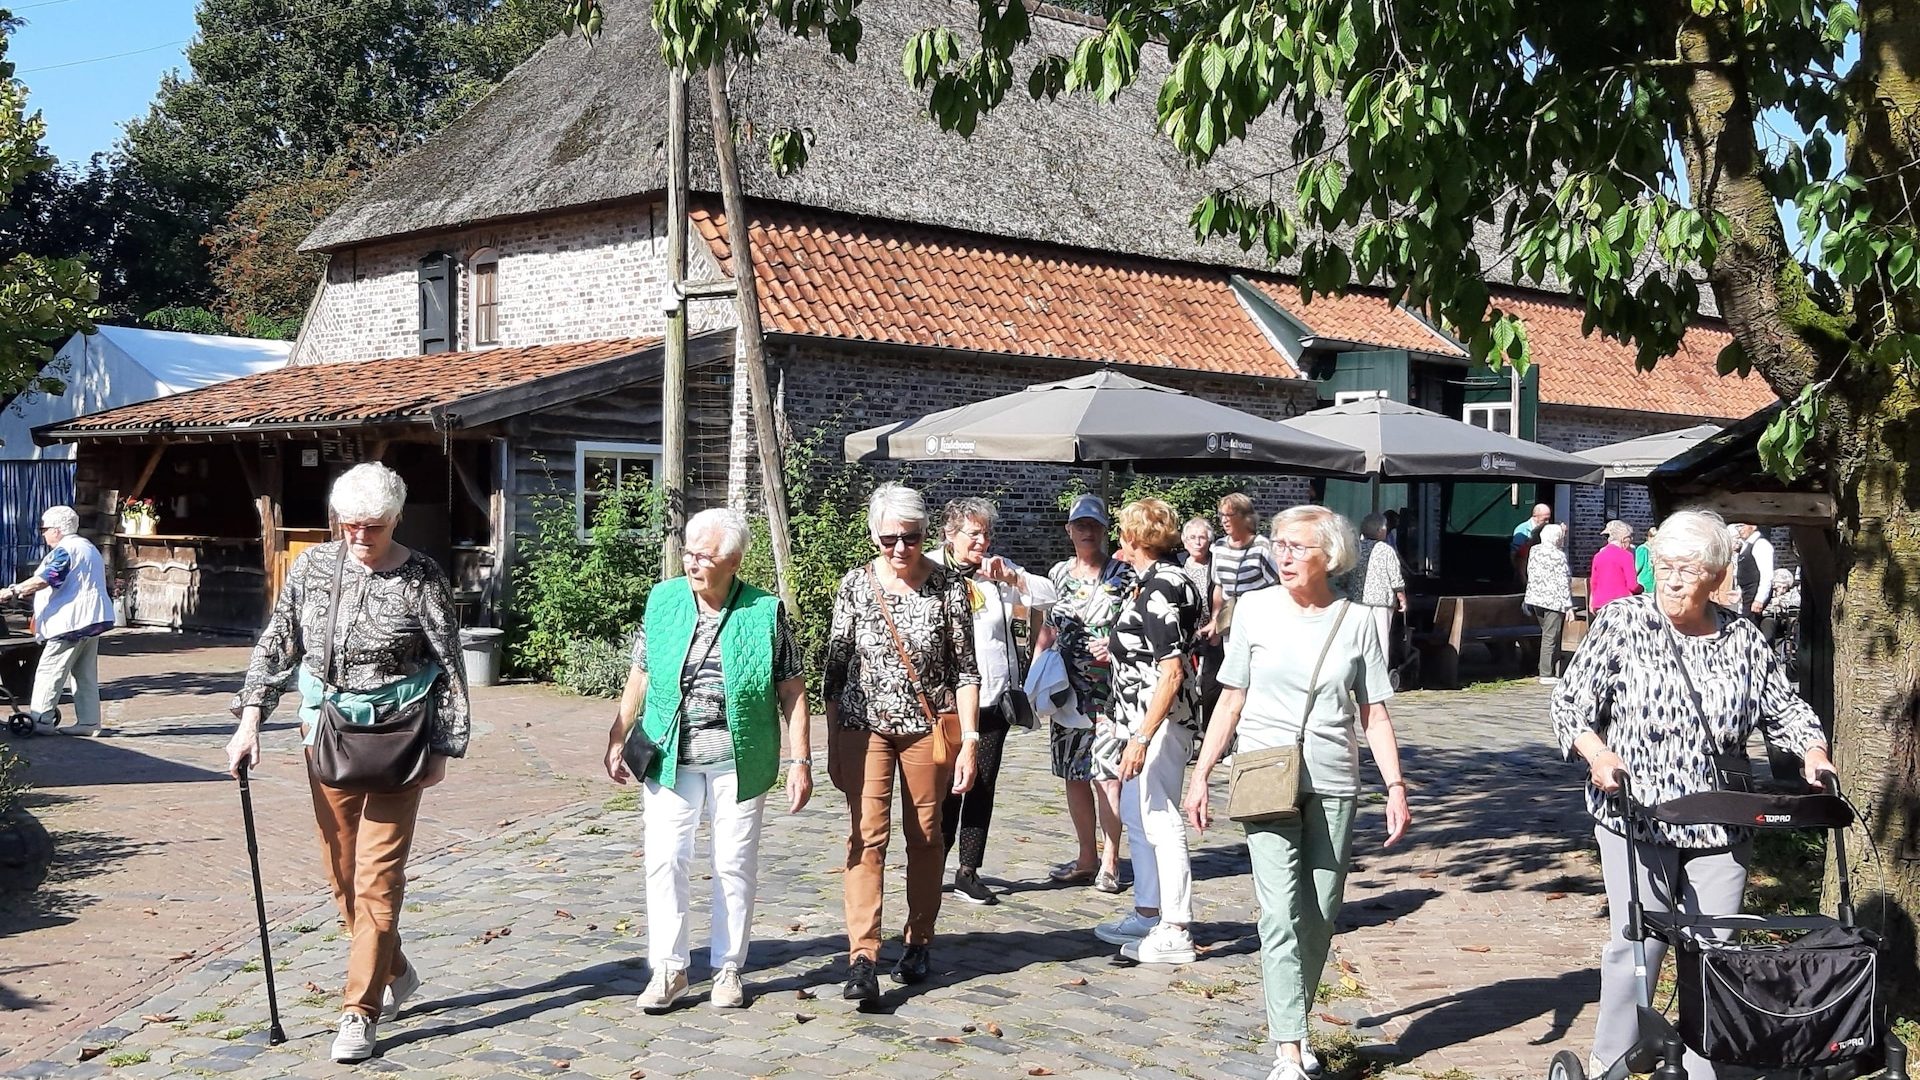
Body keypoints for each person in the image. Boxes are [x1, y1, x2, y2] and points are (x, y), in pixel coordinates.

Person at [1551, 509, 1834, 1080]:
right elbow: (1569, 703)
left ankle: (1703, 1064)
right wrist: (1598, 753)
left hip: (1721, 818)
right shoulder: (1622, 622)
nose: (1674, 580)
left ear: (1714, 575)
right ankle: (1613, 1061)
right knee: (1638, 943)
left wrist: (1813, 751)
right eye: (1664, 567)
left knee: (1716, 949)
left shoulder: (1742, 636)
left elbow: (1783, 709)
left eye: (1686, 569)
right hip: (1637, 813)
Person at [224, 463, 470, 1064]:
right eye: (350, 525)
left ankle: (359, 1011)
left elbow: (450, 662)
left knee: (377, 881)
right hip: (327, 734)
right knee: (341, 876)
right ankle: (395, 967)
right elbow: (280, 640)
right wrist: (250, 718)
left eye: (374, 527)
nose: (359, 536)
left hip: (400, 740)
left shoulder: (422, 578)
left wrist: (444, 744)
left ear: (396, 519)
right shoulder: (313, 567)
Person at [1184, 505, 1411, 1080]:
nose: (1284, 556)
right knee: (1279, 911)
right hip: (1264, 771)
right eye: (1280, 544)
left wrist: (1395, 786)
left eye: (1298, 547)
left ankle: (1296, 1018)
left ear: (1330, 556)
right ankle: (1289, 1045)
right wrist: (1202, 772)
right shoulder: (1254, 610)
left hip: (1334, 778)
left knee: (1320, 911)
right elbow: (1229, 699)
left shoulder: (1357, 620)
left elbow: (1374, 713)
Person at [604, 508, 813, 1013]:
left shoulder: (765, 612)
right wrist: (617, 735)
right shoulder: (663, 601)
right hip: (670, 755)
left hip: (738, 760)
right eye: (689, 553)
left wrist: (799, 760)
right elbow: (642, 674)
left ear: (734, 560)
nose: (693, 563)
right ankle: (669, 970)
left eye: (705, 555)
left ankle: (728, 968)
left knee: (733, 863)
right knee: (665, 859)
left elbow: (792, 690)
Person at [823, 482, 980, 1003]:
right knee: (866, 836)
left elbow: (966, 672)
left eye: (909, 538)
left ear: (923, 536)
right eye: (888, 538)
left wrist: (972, 740)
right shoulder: (854, 586)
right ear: (874, 536)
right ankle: (862, 956)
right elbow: (836, 667)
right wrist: (830, 737)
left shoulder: (949, 588)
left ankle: (918, 938)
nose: (898, 549)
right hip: (863, 728)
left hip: (927, 730)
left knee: (927, 834)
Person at [1092, 498, 1204, 964]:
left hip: (1157, 723)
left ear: (1133, 538)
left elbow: (1172, 670)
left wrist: (1141, 737)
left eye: (1122, 531)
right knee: (1138, 816)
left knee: (1161, 817)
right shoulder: (1160, 582)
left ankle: (1176, 927)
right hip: (1137, 717)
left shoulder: (1161, 587)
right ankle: (1148, 910)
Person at [931, 497, 1057, 906]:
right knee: (947, 786)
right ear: (950, 534)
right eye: (974, 533)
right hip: (946, 702)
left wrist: (1014, 581)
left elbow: (1048, 595)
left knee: (981, 785)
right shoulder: (930, 569)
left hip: (993, 698)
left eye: (987, 533)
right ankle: (933, 862)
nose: (982, 541)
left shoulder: (999, 572)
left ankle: (968, 870)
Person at [1041, 494, 1131, 893]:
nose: (1087, 532)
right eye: (1081, 525)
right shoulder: (1059, 574)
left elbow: (1139, 627)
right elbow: (1046, 627)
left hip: (1109, 691)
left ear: (1104, 530)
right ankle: (1085, 857)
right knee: (1074, 775)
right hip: (1067, 690)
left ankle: (1111, 860)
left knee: (1108, 776)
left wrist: (1114, 644)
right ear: (1069, 531)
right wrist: (1037, 668)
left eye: (1094, 525)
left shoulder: (1123, 575)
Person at [0, 506, 113, 735]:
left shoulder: (66, 550)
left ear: (57, 530)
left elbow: (47, 578)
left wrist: (13, 591)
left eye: (44, 529)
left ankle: (41, 720)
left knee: (50, 670)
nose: (42, 534)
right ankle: (89, 722)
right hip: (91, 618)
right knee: (83, 672)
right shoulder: (86, 547)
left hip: (71, 621)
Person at [1206, 493, 1277, 638]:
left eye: (1229, 515)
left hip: (1258, 623)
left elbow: (1276, 587)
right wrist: (1215, 620)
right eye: (1221, 515)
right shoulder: (1219, 546)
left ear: (1245, 518)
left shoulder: (1262, 547)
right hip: (1229, 621)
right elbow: (1218, 587)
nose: (1224, 520)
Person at [1342, 513, 1407, 667]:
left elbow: (1345, 574)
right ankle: (1380, 672)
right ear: (1380, 530)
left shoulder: (1355, 549)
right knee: (1381, 638)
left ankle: (1356, 670)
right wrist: (1401, 597)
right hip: (1381, 602)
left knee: (1358, 637)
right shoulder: (1386, 550)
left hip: (1357, 600)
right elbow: (1395, 576)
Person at [1178, 517, 1222, 726]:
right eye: (1192, 537)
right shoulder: (1176, 564)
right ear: (1184, 541)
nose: (1197, 542)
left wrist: (1214, 623)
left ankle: (1209, 730)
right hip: (1182, 634)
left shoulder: (1216, 565)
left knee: (1209, 684)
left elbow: (1223, 597)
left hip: (1210, 633)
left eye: (1202, 537)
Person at [1524, 523, 1574, 684]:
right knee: (1550, 636)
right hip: (1554, 601)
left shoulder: (1535, 551)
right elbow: (1563, 582)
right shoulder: (1558, 556)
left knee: (1548, 633)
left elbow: (1530, 572)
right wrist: (1569, 606)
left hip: (1536, 599)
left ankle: (1555, 669)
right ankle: (1546, 673)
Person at [1589, 520, 1643, 609]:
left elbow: (1593, 583)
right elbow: (1632, 586)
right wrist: (1641, 588)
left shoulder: (1598, 556)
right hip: (1620, 604)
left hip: (1599, 604)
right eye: (1630, 537)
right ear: (1624, 538)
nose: (1631, 540)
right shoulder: (1626, 556)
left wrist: (1592, 602)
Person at [1732, 523, 1776, 621]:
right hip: (1746, 594)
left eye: (1742, 526)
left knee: (1750, 625)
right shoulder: (1746, 545)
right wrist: (1739, 593)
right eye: (1738, 527)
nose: (1739, 529)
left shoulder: (1761, 544)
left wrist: (1759, 599)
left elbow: (1767, 574)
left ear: (1753, 526)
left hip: (1754, 593)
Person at [1511, 502, 1551, 577]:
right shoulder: (1522, 530)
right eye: (1545, 519)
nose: (1547, 522)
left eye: (1548, 519)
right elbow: (1516, 554)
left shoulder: (1547, 530)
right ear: (1535, 516)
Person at [1633, 525, 1658, 595]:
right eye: (1653, 537)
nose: (1655, 540)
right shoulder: (1643, 549)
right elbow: (1637, 567)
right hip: (1643, 585)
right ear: (1648, 537)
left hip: (1653, 586)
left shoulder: (1656, 550)